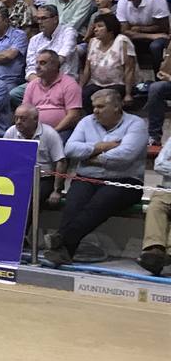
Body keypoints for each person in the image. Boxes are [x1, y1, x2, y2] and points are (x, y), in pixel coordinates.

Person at [46, 90, 146, 266]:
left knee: (98, 204)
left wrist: (91, 156)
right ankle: (64, 251)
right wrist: (102, 146)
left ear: (116, 107)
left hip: (125, 181)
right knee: (73, 204)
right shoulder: (87, 122)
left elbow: (126, 155)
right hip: (88, 177)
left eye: (100, 106)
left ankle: (61, 240)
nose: (95, 111)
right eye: (94, 107)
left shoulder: (136, 124)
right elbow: (70, 149)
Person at [4, 103, 66, 207]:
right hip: (18, 176)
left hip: (43, 178)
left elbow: (61, 162)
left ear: (35, 119)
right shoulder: (11, 132)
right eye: (16, 118)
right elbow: (4, 158)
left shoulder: (50, 134)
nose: (18, 122)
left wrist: (57, 190)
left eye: (23, 119)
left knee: (28, 203)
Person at [80, 12, 136, 110]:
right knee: (84, 94)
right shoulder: (93, 42)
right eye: (95, 27)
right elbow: (87, 69)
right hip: (97, 84)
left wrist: (128, 94)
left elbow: (129, 70)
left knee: (108, 97)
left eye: (100, 26)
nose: (95, 29)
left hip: (118, 84)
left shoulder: (122, 42)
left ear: (111, 28)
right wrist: (79, 87)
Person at [117, 0, 169, 70]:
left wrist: (138, 29)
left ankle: (158, 78)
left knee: (156, 46)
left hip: (159, 37)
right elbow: (124, 31)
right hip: (150, 35)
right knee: (120, 41)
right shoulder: (123, 1)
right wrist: (150, 35)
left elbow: (164, 28)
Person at [138, 139, 171, 275]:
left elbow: (166, 165)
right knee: (155, 207)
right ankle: (154, 250)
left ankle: (168, 254)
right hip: (166, 190)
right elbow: (159, 165)